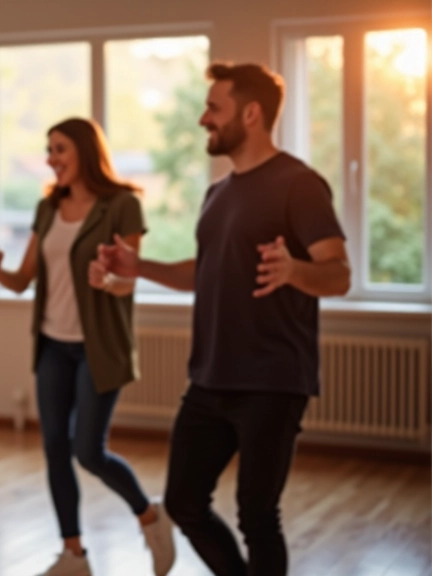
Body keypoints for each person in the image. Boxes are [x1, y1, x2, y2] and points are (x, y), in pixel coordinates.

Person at [94, 62, 350, 576]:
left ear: (251, 114)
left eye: (214, 107)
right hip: (210, 377)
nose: (202, 119)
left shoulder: (299, 184)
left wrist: (295, 269)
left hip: (273, 379)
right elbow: (205, 272)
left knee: (258, 515)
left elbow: (338, 273)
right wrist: (138, 266)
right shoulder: (219, 194)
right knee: (184, 503)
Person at [0, 118, 175, 576]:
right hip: (52, 344)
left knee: (88, 450)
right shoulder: (48, 208)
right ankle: (73, 553)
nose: (50, 159)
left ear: (85, 151)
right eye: (49, 149)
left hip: (97, 348)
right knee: (53, 449)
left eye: (59, 148)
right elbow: (24, 279)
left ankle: (150, 516)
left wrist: (108, 280)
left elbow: (128, 281)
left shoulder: (122, 205)